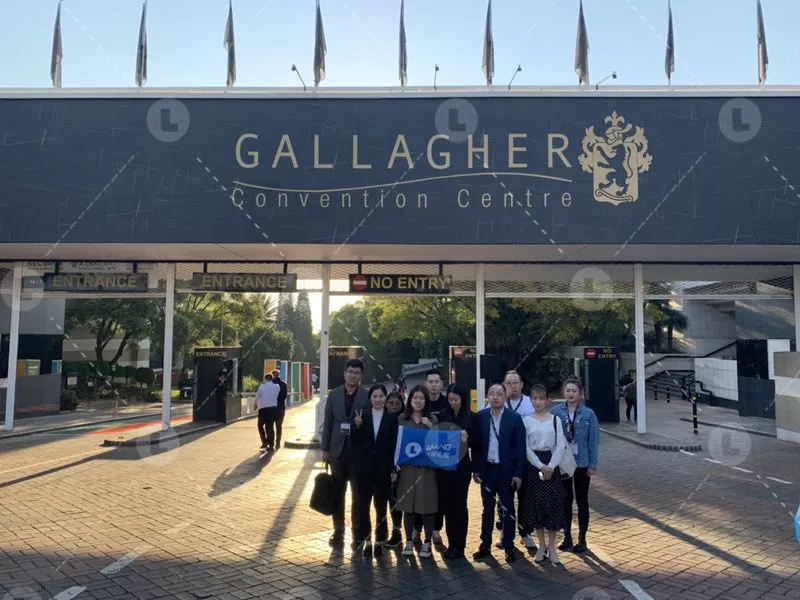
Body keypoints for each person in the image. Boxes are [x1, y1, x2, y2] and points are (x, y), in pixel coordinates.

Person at [471, 383, 526, 564]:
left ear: (505, 396)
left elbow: (521, 448)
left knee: (508, 509)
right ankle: (485, 544)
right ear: (487, 396)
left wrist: (518, 473)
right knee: (487, 509)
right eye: (492, 393)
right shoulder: (480, 417)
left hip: (507, 471)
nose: (495, 397)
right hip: (487, 470)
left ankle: (509, 545)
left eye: (499, 394)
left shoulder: (514, 418)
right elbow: (476, 447)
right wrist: (476, 469)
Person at [321, 359, 370, 549]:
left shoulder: (366, 396)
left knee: (358, 495)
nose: (353, 376)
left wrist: (360, 426)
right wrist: (325, 449)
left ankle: (357, 535)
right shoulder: (334, 395)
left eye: (356, 373)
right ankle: (338, 531)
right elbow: (328, 423)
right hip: (337, 451)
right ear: (344, 374)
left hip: (358, 453)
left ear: (361, 376)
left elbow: (370, 425)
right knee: (337, 493)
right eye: (350, 372)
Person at [519, 385, 568, 565]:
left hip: (552, 463)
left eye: (541, 398)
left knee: (553, 505)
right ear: (530, 400)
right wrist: (541, 466)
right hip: (534, 465)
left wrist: (551, 466)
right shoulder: (526, 421)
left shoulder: (555, 420)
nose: (538, 402)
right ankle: (541, 545)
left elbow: (561, 445)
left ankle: (552, 546)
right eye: (534, 398)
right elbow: (526, 448)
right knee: (537, 505)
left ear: (547, 400)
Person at [551, 375, 600, 554]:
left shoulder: (589, 414)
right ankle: (567, 537)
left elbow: (593, 441)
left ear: (579, 394)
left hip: (582, 462)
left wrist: (593, 464)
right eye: (568, 390)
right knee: (565, 500)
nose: (571, 394)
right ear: (563, 392)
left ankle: (582, 538)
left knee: (582, 500)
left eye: (574, 391)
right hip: (563, 462)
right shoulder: (556, 412)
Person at [351, 384, 399, 557]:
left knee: (381, 507)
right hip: (363, 469)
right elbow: (354, 442)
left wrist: (393, 469)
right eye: (375, 396)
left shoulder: (391, 418)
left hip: (383, 469)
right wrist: (356, 426)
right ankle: (367, 540)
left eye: (381, 396)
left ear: (385, 398)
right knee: (363, 507)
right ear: (370, 398)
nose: (378, 399)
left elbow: (393, 445)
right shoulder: (361, 415)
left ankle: (380, 540)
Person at [493, 370, 537, 551]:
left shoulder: (529, 403)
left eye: (515, 383)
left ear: (521, 384)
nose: (512, 386)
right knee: (503, 497)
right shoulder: (498, 403)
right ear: (504, 385)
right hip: (503, 458)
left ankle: (525, 532)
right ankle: (504, 530)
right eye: (508, 383)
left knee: (526, 496)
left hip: (526, 456)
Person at [395, 385, 439, 559]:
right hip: (407, 470)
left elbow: (439, 443)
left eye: (421, 398)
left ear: (426, 401)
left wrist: (430, 426)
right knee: (408, 506)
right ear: (410, 400)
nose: (418, 401)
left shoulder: (432, 419)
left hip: (427, 471)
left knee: (427, 506)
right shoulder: (402, 419)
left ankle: (427, 542)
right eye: (415, 398)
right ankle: (409, 541)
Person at [436, 383, 474, 560]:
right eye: (450, 400)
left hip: (462, 468)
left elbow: (477, 443)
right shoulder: (444, 414)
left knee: (460, 505)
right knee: (447, 506)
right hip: (445, 467)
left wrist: (467, 439)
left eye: (456, 400)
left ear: (463, 399)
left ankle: (460, 545)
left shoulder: (471, 417)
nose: (453, 403)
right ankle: (451, 543)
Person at [424, 369, 448, 545]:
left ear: (441, 384)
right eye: (430, 382)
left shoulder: (448, 404)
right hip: (421, 456)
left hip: (441, 456)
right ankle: (417, 529)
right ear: (426, 384)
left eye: (436, 381)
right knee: (422, 493)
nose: (433, 385)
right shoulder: (420, 402)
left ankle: (436, 530)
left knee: (440, 494)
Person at [384, 391, 406, 548]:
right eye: (391, 403)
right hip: (381, 465)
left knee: (395, 499)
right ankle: (382, 531)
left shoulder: (404, 420)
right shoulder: (381, 418)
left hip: (399, 466)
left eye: (397, 403)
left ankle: (397, 530)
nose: (394, 406)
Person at [254, 373, 280, 452]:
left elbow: (257, 396)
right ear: (272, 379)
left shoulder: (262, 387)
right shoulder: (277, 386)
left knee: (260, 425)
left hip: (263, 409)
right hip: (273, 409)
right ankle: (271, 445)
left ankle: (264, 442)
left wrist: (255, 404)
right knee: (270, 427)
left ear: (265, 379)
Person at [271, 370, 289, 448]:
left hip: (271, 408)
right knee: (279, 426)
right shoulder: (284, 384)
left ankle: (271, 444)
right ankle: (278, 443)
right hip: (281, 407)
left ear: (273, 375)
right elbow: (285, 396)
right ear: (279, 375)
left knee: (270, 426)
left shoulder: (270, 384)